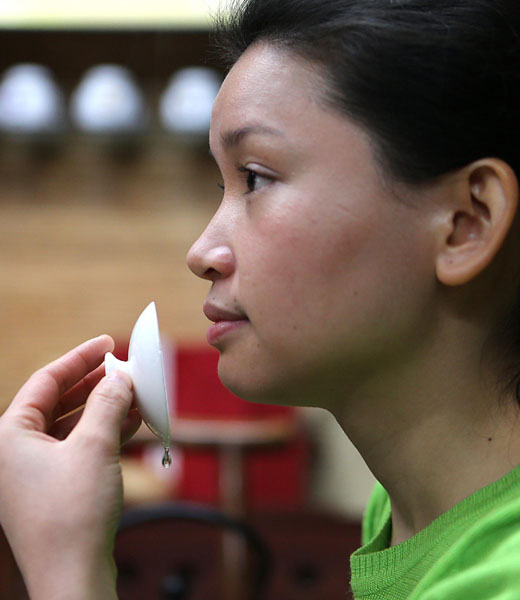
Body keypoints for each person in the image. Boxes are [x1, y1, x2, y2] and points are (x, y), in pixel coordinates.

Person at [1, 0, 520, 597]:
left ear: (465, 221)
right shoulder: (407, 507)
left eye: (255, 178)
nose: (201, 252)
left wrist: (65, 568)